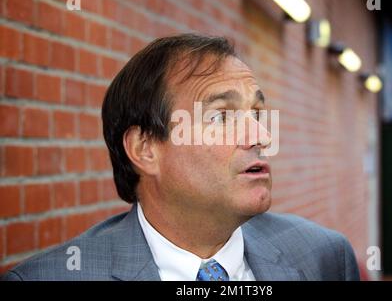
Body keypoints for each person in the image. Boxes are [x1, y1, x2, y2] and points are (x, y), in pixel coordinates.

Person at [2, 34, 359, 281]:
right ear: (145, 149)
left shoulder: (324, 257)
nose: (262, 137)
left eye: (257, 115)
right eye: (222, 117)